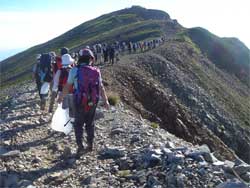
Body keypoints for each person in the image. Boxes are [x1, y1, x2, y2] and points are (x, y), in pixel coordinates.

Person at [58, 48, 110, 158]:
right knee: (90, 123)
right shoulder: (96, 70)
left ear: (80, 58)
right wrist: (106, 101)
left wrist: (61, 97)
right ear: (91, 59)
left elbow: (68, 86)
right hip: (93, 101)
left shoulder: (74, 70)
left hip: (79, 101)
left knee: (78, 124)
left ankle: (80, 146)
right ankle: (90, 144)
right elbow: (101, 87)